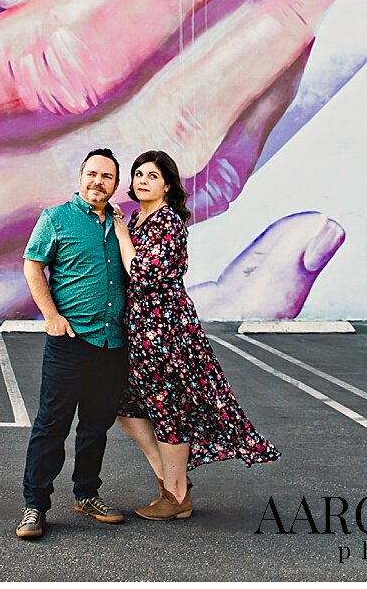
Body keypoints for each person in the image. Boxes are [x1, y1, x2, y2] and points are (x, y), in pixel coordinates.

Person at [111, 150, 281, 521]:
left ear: (167, 185)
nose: (142, 180)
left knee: (169, 409)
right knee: (125, 406)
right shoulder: (141, 218)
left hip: (166, 328)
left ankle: (174, 495)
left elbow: (142, 271)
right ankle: (172, 483)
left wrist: (122, 234)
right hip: (140, 327)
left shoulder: (166, 221)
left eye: (152, 176)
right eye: (138, 174)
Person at [15, 149, 132, 541]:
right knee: (52, 424)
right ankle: (35, 505)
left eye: (107, 177)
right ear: (80, 177)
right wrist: (51, 316)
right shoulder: (55, 218)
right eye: (92, 174)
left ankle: (87, 494)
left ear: (115, 185)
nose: (98, 182)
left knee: (96, 425)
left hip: (111, 342)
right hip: (70, 340)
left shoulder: (121, 225)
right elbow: (33, 264)